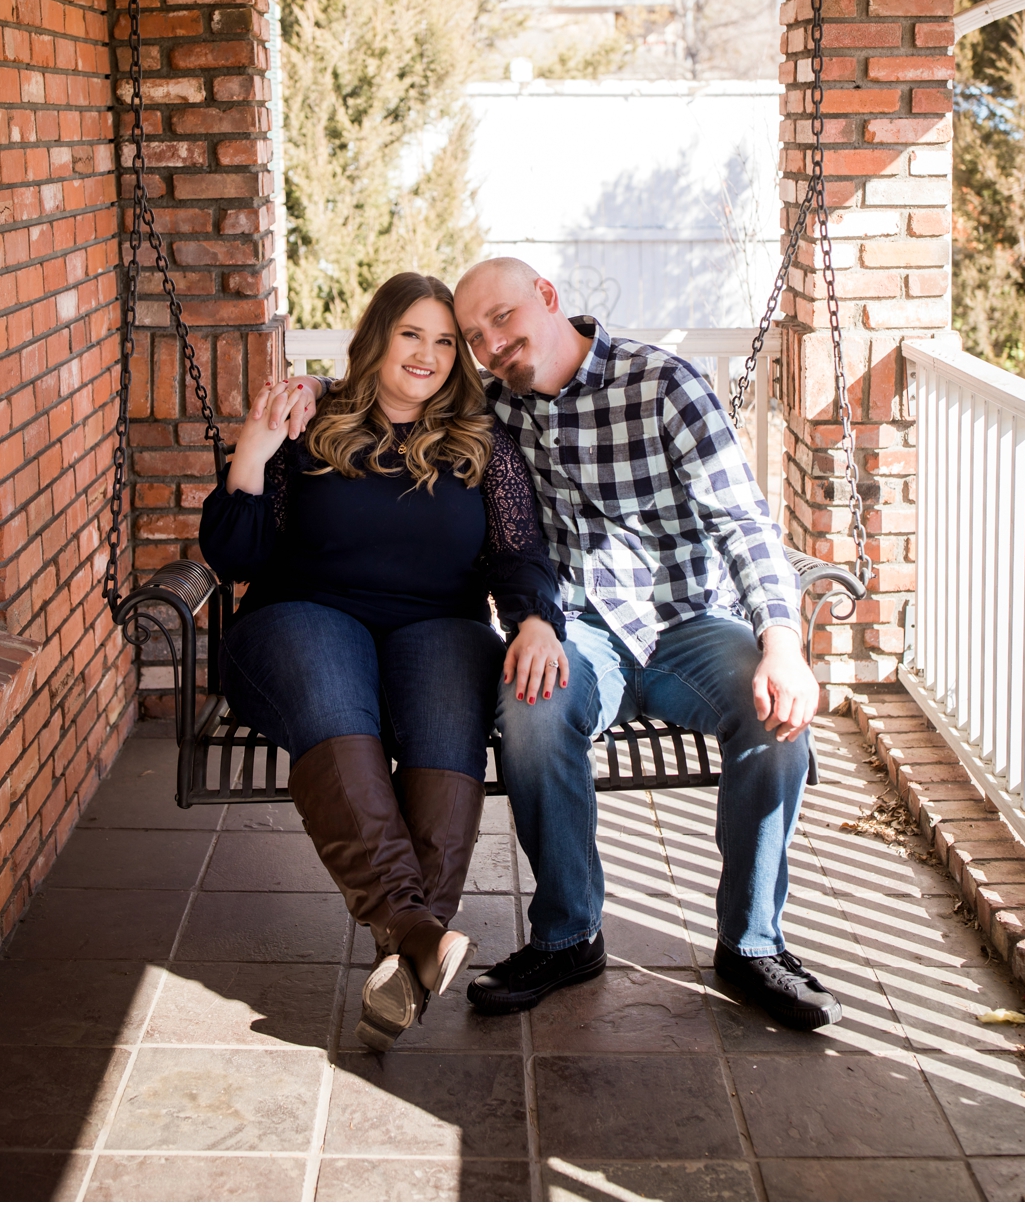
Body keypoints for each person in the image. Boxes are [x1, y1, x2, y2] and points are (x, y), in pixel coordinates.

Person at [446, 256, 840, 1029]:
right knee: (529, 710)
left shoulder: (663, 384)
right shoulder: (493, 409)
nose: (490, 344)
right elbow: (397, 387)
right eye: (473, 338)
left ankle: (752, 942)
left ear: (549, 298)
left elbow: (742, 521)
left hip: (687, 623)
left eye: (501, 319)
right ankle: (568, 934)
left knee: (774, 718)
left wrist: (782, 641)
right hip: (579, 633)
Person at [198, 271, 563, 1049]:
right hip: (304, 614)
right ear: (377, 340)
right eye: (410, 336)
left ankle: (411, 947)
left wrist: (534, 621)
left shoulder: (482, 441)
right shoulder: (312, 418)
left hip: (437, 624)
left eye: (443, 340)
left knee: (447, 719)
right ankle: (414, 925)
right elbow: (236, 553)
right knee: (335, 704)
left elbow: (518, 553)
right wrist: (254, 452)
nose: (427, 355)